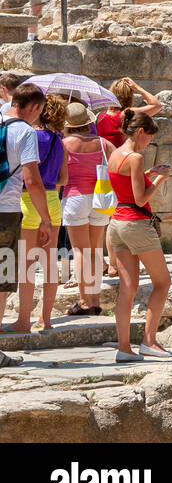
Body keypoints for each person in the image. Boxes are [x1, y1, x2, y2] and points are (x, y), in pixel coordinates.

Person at [106, 110, 172, 362]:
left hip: (117, 223)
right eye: (149, 138)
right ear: (141, 132)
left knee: (128, 287)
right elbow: (141, 198)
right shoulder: (135, 157)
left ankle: (124, 348)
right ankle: (149, 341)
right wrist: (160, 179)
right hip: (136, 223)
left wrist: (150, 173)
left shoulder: (115, 153)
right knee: (162, 282)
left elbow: (125, 186)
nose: (149, 143)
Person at [0, 85, 53, 362]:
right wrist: (45, 219)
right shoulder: (25, 132)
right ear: (33, 107)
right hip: (6, 211)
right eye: (40, 111)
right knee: (2, 278)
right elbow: (32, 180)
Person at [6, 94, 68, 333]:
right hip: (53, 200)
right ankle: (46, 319)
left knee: (27, 265)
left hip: (28, 200)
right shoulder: (58, 141)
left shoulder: (28, 135)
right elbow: (64, 178)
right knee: (50, 263)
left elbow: (27, 176)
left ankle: (23, 320)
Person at [61, 102, 112, 316]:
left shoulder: (64, 144)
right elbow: (118, 164)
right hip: (101, 197)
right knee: (95, 250)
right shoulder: (103, 143)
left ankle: (84, 301)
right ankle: (95, 301)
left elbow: (59, 174)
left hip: (75, 197)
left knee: (80, 250)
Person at [97, 78, 163, 150]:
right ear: (130, 96)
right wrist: (137, 87)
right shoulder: (125, 114)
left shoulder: (99, 116)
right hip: (119, 158)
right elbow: (157, 105)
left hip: (101, 159)